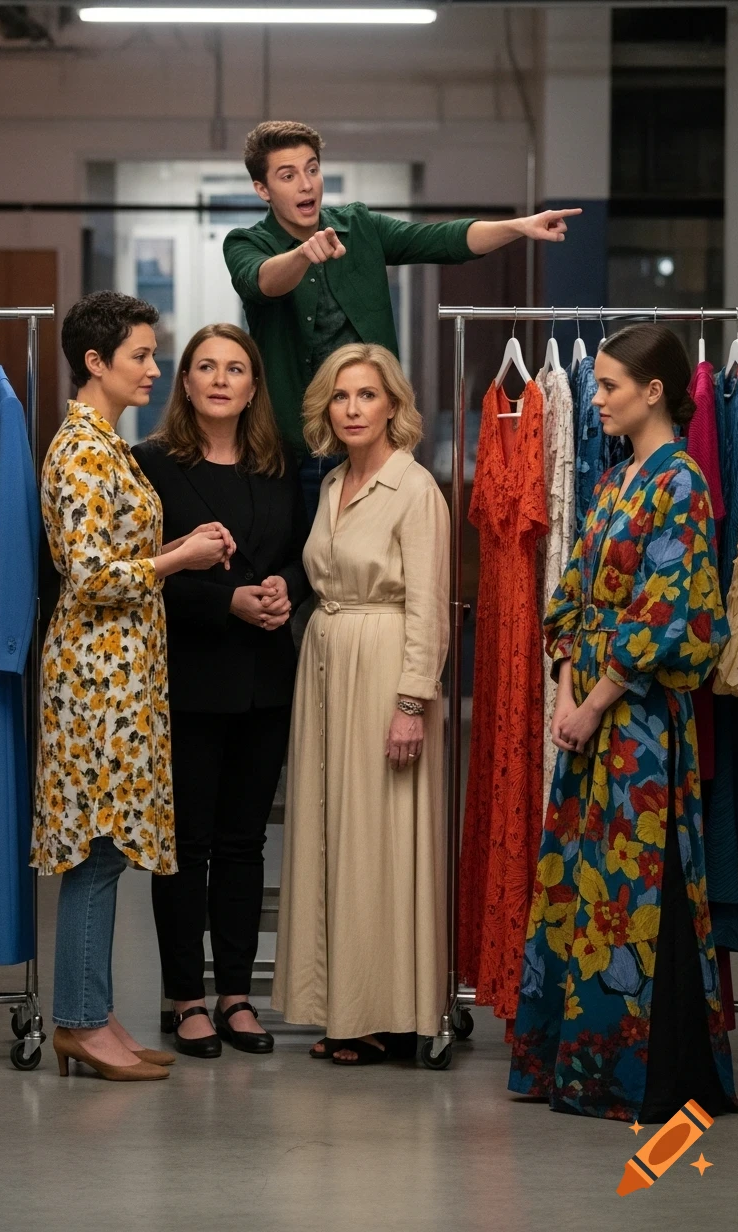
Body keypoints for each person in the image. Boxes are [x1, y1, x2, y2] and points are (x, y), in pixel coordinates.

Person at [508, 323, 738, 1122]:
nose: (597, 398)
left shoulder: (682, 482)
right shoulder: (615, 481)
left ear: (653, 391)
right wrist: (570, 692)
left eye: (608, 386)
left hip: (639, 722)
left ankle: (641, 1070)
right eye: (597, 385)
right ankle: (578, 1062)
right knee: (580, 880)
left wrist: (596, 698)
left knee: (638, 887)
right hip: (592, 712)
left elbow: (675, 613)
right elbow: (570, 595)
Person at [30, 292, 235, 1082]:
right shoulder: (81, 449)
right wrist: (175, 561)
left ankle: (97, 1012)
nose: (156, 369)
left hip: (120, 671)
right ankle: (81, 1022)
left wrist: (176, 545)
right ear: (95, 363)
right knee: (99, 849)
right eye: (142, 356)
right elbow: (86, 574)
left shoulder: (104, 445)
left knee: (108, 848)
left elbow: (113, 550)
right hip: (95, 677)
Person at [223, 118, 580, 515]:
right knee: (306, 568)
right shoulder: (246, 242)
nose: (306, 184)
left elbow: (441, 240)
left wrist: (519, 226)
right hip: (293, 451)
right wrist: (304, 254)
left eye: (312, 169)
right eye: (288, 176)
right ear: (263, 189)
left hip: (375, 445)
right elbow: (261, 280)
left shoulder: (358, 226)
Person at [133, 324, 309, 1058]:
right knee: (185, 846)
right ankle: (186, 999)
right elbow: (139, 576)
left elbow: (305, 560)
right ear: (185, 380)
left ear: (253, 385)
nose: (219, 379)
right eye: (205, 366)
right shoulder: (150, 463)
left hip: (266, 678)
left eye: (235, 368)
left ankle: (237, 995)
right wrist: (225, 601)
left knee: (243, 845)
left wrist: (282, 591)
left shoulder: (283, 466)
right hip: (189, 677)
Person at [272, 342, 450, 1065]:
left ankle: (389, 1011)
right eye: (341, 396)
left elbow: (429, 607)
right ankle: (342, 1006)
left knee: (381, 841)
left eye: (366, 395)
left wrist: (411, 701)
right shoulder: (332, 483)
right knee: (328, 834)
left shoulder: (415, 489)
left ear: (393, 406)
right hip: (325, 663)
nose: (351, 408)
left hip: (383, 672)